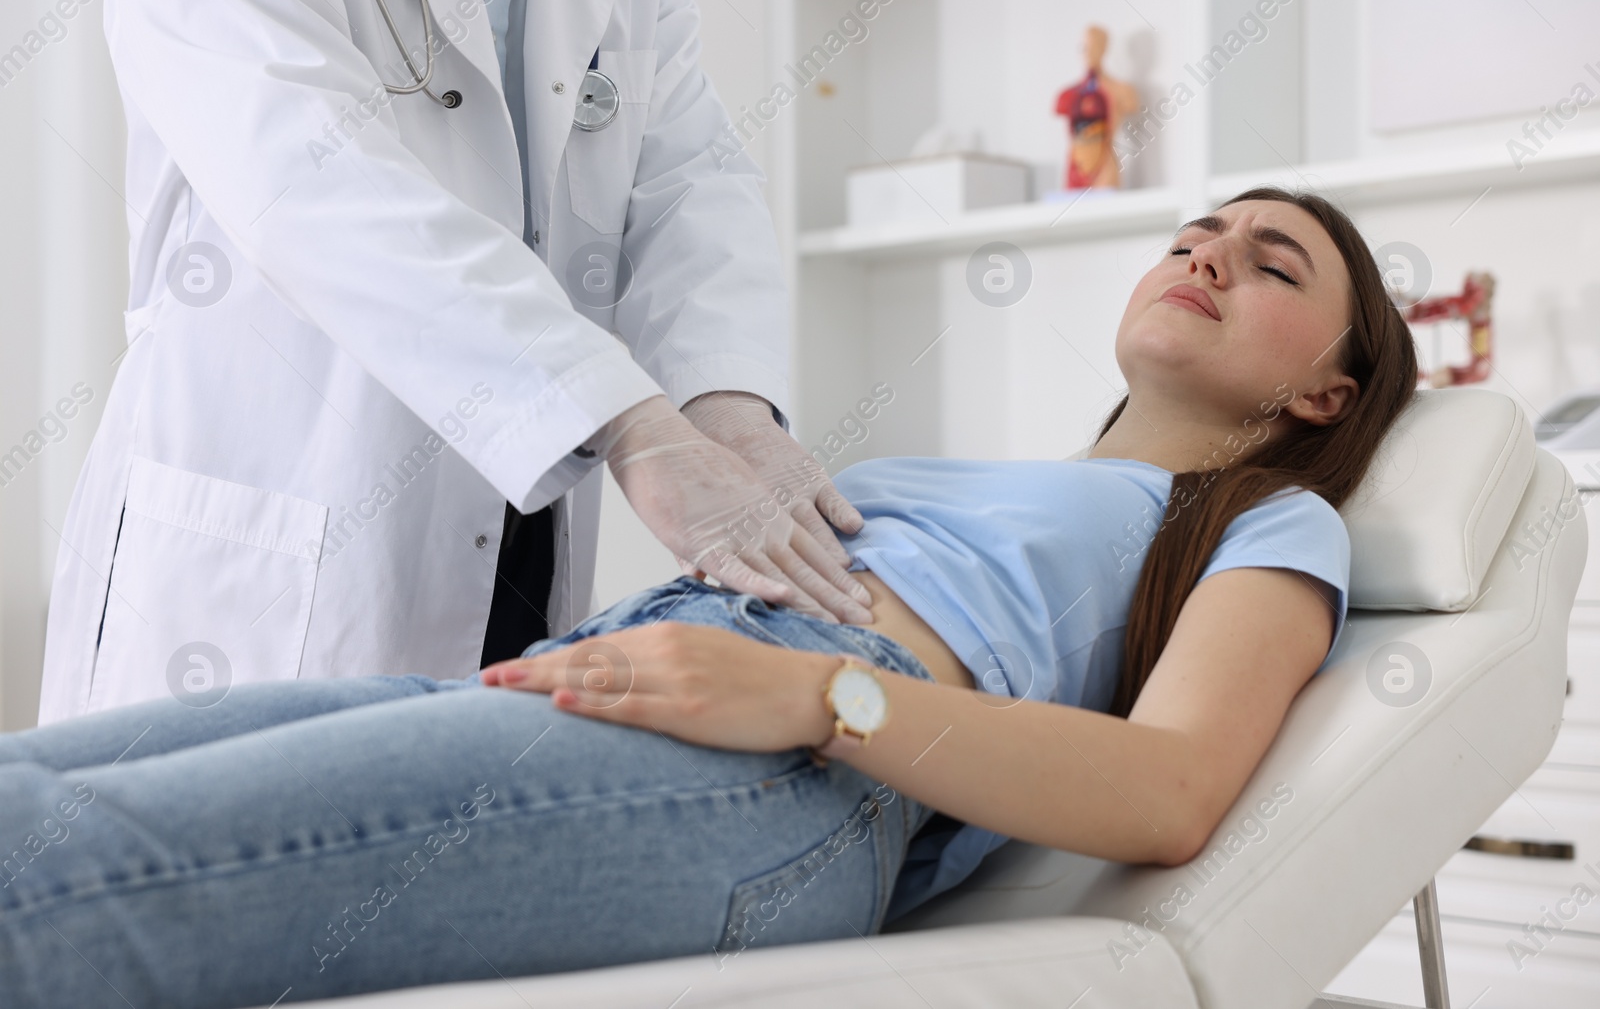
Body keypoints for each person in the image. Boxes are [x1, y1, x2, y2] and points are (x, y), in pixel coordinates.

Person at [0, 189, 1418, 1008]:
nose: (1208, 250)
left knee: (84, 867)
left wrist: (819, 693)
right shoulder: (1014, 477)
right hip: (622, 677)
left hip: (779, 772)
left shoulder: (1264, 519)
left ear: (1324, 392)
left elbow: (1169, 788)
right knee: (38, 793)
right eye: (1198, 228)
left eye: (1272, 261)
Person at [37, 0, 873, 725]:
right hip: (276, 551)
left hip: (525, 525)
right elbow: (311, 183)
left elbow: (688, 174)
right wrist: (633, 422)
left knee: (475, 839)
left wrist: (728, 405)